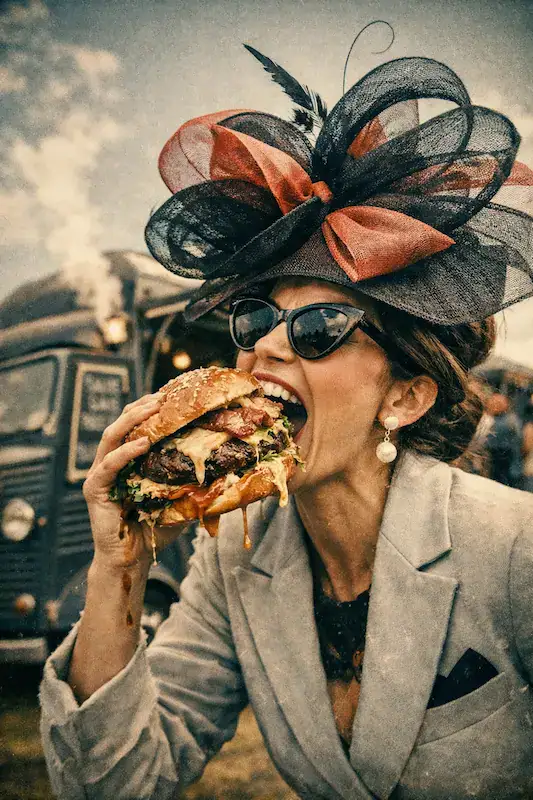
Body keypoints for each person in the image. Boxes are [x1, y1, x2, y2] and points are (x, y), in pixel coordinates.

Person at [40, 50, 533, 800]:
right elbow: (119, 782)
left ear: (403, 399)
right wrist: (120, 568)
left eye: (320, 327)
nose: (267, 344)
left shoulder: (513, 549)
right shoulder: (232, 564)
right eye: (256, 318)